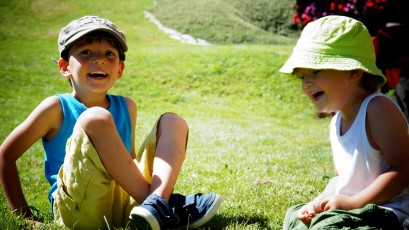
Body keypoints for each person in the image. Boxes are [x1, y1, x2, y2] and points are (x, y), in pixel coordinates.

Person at [0, 15, 222, 229]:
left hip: (125, 207)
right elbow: (5, 155)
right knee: (96, 117)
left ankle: (156, 205)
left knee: (173, 121)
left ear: (120, 69)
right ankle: (165, 208)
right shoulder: (56, 108)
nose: (99, 59)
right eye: (86, 52)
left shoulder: (127, 107)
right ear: (65, 66)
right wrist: (24, 216)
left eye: (109, 53)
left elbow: (127, 163)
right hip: (77, 211)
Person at [279, 15, 409, 229]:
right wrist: (317, 203)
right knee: (295, 216)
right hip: (350, 212)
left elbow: (403, 170)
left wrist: (354, 203)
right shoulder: (337, 120)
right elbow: (340, 179)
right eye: (301, 76)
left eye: (315, 71)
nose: (306, 83)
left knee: (328, 226)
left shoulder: (377, 108)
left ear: (354, 71)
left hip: (388, 212)